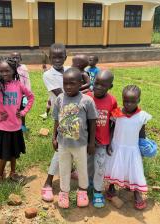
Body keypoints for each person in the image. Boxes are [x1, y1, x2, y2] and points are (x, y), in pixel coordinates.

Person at [0, 57, 34, 181]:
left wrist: (24, 112)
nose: (4, 74)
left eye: (7, 71)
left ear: (14, 71)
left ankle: (13, 173)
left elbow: (31, 97)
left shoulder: (19, 85)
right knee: (3, 155)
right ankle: (0, 175)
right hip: (4, 128)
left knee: (15, 153)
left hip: (16, 126)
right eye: (1, 71)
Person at [52, 67, 98, 208]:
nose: (68, 86)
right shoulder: (60, 99)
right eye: (65, 83)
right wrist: (54, 137)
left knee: (82, 168)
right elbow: (56, 120)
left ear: (80, 84)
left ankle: (82, 191)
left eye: (72, 83)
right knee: (64, 168)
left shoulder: (87, 101)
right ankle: (64, 192)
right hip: (63, 143)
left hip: (81, 144)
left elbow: (92, 122)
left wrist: (91, 143)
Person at [104, 85, 152, 210]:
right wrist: (109, 143)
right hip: (117, 146)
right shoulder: (117, 113)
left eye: (133, 101)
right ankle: (111, 188)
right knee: (114, 167)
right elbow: (112, 129)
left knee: (134, 170)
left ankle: (137, 193)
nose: (129, 104)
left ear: (139, 100)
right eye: (126, 101)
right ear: (122, 99)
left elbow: (142, 134)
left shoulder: (142, 116)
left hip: (132, 148)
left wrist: (143, 148)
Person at [41, 43, 70, 202]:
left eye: (60, 57)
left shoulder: (70, 70)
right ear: (49, 58)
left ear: (66, 57)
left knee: (75, 145)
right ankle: (48, 182)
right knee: (60, 148)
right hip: (61, 115)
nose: (57, 60)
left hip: (76, 113)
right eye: (54, 57)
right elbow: (62, 95)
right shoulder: (48, 75)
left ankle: (70, 170)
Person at [86, 70, 117, 208]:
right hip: (86, 142)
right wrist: (88, 141)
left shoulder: (112, 101)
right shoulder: (86, 97)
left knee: (100, 166)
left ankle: (98, 191)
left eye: (103, 85)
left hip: (102, 143)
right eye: (96, 83)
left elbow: (113, 123)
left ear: (110, 86)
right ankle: (87, 185)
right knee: (87, 165)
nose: (98, 87)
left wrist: (109, 141)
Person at [10, 52, 31, 132]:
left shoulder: (23, 68)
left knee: (22, 111)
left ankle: (22, 125)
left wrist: (27, 95)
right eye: (13, 58)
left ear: (20, 59)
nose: (15, 59)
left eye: (17, 57)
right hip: (12, 95)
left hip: (22, 95)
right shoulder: (9, 68)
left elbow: (27, 82)